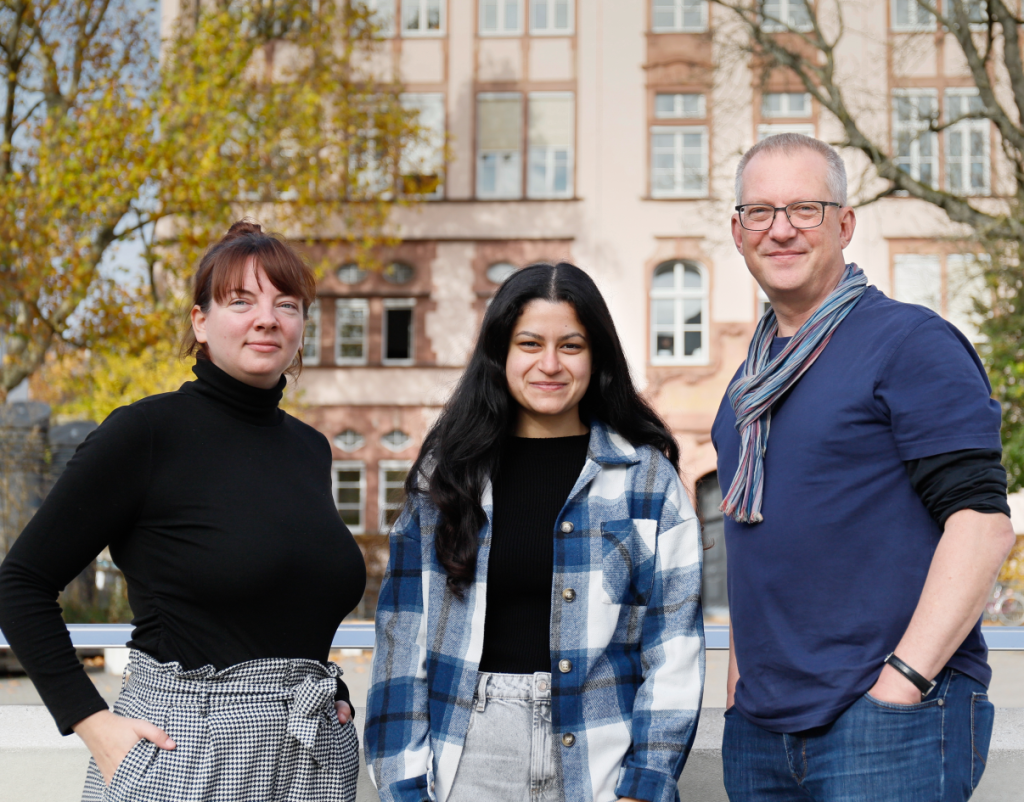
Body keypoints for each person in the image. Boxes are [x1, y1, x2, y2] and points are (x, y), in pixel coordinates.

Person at [0, 221, 367, 802]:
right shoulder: (145, 433)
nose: (266, 318)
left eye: (286, 303)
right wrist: (94, 725)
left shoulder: (308, 448)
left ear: (301, 326)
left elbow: (287, 598)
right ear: (200, 322)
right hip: (188, 753)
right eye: (241, 301)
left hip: (310, 758)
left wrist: (332, 685)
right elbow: (20, 583)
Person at [712, 133, 1016, 802]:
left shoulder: (909, 343)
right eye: (760, 212)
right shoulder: (747, 388)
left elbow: (983, 525)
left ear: (844, 223)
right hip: (760, 731)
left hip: (884, 721)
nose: (781, 229)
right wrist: (737, 690)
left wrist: (901, 685)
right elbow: (751, 548)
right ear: (738, 232)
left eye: (805, 209)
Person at [363, 263, 705, 802]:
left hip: (602, 760)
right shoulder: (447, 476)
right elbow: (401, 640)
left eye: (571, 345)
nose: (550, 364)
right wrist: (403, 783)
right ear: (501, 353)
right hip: (470, 756)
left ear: (597, 358)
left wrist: (646, 783)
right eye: (529, 344)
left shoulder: (647, 481)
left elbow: (673, 645)